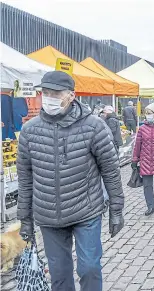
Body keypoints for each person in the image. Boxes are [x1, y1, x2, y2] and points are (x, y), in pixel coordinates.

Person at [16, 71, 124, 290]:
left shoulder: (94, 126)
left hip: (86, 210)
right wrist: (25, 218)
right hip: (48, 215)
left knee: (90, 268)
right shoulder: (29, 131)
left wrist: (117, 209)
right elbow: (25, 178)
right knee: (60, 276)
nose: (48, 97)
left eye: (55, 93)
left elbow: (111, 170)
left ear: (71, 96)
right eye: (45, 92)